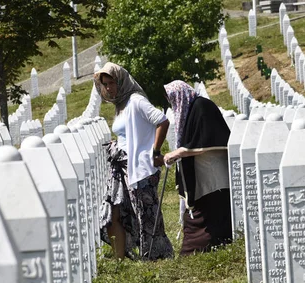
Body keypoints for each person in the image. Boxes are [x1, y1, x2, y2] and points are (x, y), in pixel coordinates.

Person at [94, 62, 173, 260]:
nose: (110, 88)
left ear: (121, 81)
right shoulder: (121, 105)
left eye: (112, 82)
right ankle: (119, 258)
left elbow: (162, 121)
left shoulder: (136, 101)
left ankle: (157, 256)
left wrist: (155, 151)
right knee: (114, 212)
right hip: (120, 166)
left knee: (146, 215)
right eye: (106, 84)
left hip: (139, 167)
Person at [163, 80, 232, 256]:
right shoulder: (191, 109)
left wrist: (177, 152)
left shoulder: (202, 106)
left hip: (212, 173)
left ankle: (207, 245)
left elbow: (205, 139)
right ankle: (195, 247)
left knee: (213, 209)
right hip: (201, 171)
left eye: (173, 99)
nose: (173, 104)